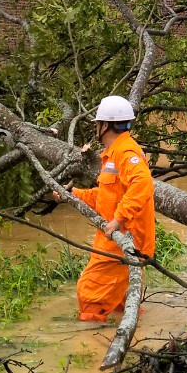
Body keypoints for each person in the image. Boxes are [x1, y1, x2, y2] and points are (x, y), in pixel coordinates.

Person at [69, 95, 156, 323]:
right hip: (117, 240)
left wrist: (118, 220)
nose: (96, 128)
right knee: (121, 305)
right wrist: (74, 194)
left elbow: (142, 184)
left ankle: (90, 348)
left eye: (97, 124)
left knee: (89, 297)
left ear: (105, 125)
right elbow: (108, 195)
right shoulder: (113, 153)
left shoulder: (126, 152)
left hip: (123, 242)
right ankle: (125, 339)